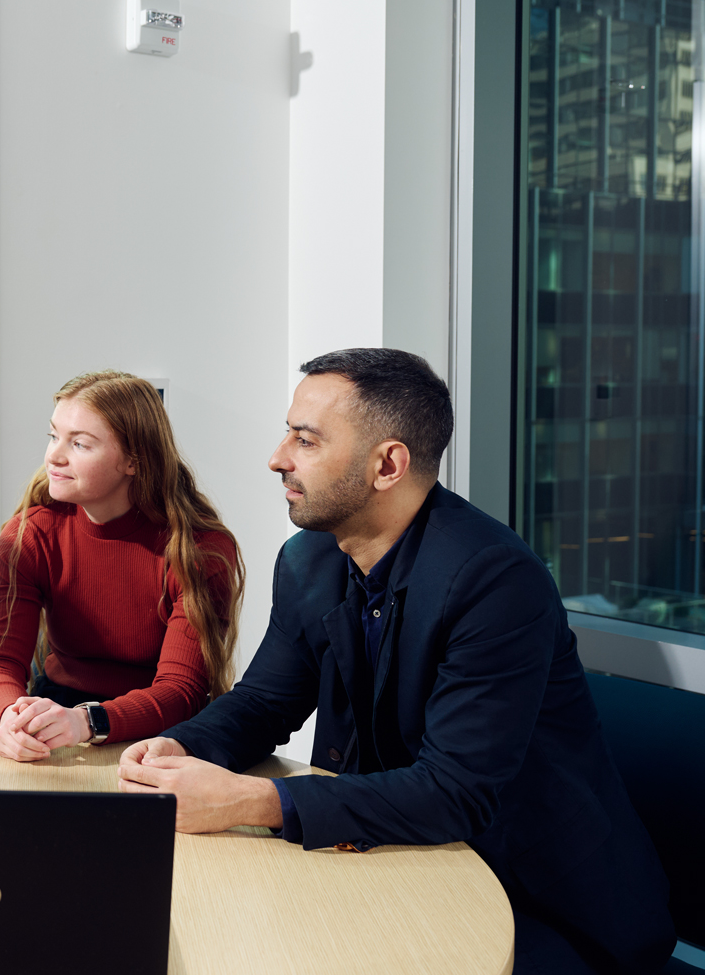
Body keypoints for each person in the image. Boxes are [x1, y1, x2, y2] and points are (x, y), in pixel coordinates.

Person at [116, 348, 675, 975]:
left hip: (541, 903)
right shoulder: (309, 560)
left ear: (388, 464)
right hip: (406, 861)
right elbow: (264, 703)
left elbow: (454, 791)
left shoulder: (494, 579)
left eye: (305, 440)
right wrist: (180, 748)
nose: (278, 458)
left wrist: (252, 801)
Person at [0, 371, 243, 759]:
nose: (54, 456)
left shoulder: (200, 550)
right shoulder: (28, 537)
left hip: (160, 731)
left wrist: (86, 721)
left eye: (80, 444)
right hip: (56, 713)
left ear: (133, 461)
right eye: (53, 436)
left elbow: (179, 690)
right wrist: (10, 718)